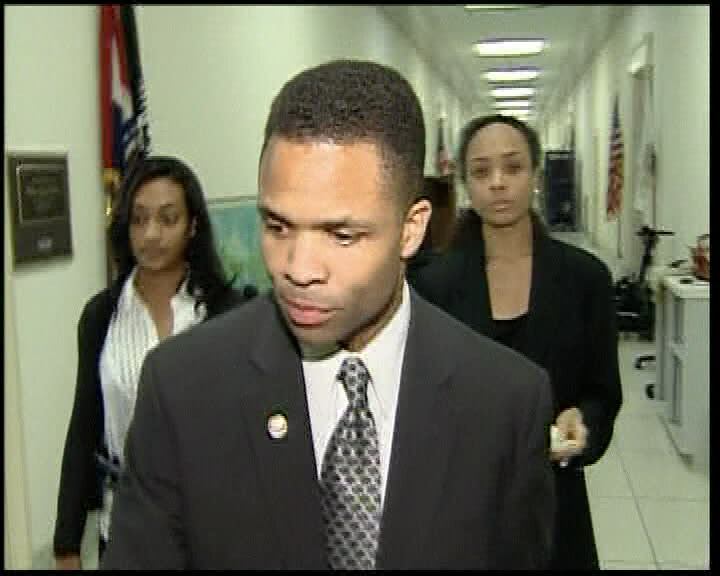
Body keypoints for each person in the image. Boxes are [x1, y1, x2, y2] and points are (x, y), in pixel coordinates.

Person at [101, 60, 555, 570]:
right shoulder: (182, 389)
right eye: (278, 226)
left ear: (411, 228)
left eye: (341, 235)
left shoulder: (505, 403)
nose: (298, 269)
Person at [410, 114, 623, 569]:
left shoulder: (585, 280)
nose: (498, 183)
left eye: (513, 167)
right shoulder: (431, 287)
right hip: (463, 507)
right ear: (466, 183)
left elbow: (603, 393)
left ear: (536, 176)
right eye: (481, 171)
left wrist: (583, 423)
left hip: (556, 505)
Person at [53, 155, 248, 569]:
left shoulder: (226, 313)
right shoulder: (101, 316)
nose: (151, 234)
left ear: (192, 226)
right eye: (139, 220)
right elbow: (84, 425)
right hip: (125, 523)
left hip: (212, 526)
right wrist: (66, 542)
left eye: (168, 219)